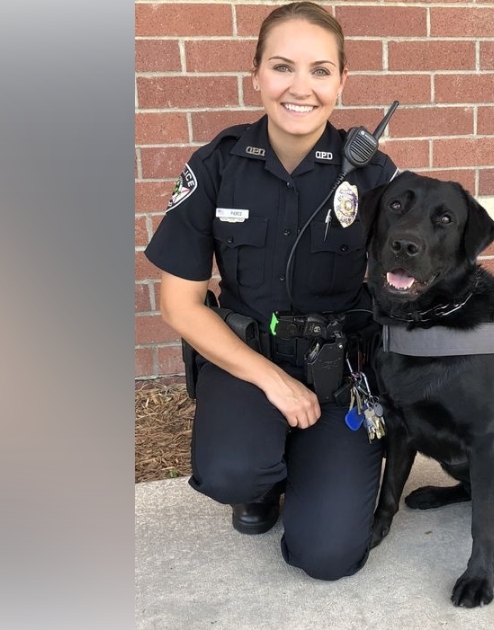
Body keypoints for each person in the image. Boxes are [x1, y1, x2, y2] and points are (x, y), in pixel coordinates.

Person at [143, 2, 399, 581]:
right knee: (232, 469)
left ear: (341, 81)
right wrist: (272, 380)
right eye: (282, 67)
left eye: (320, 70)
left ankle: (314, 470)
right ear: (256, 73)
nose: (300, 88)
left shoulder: (373, 175)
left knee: (328, 557)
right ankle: (260, 485)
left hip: (341, 373)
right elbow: (179, 304)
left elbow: (410, 279)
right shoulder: (217, 165)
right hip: (246, 361)